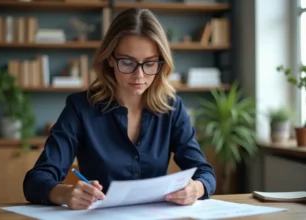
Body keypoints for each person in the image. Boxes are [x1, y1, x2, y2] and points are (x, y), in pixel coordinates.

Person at [23, 7, 216, 210]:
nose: (139, 76)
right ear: (110, 59)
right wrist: (65, 193)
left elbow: (204, 172)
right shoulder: (80, 108)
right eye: (127, 62)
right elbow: (36, 180)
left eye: (149, 64)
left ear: (161, 63)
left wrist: (197, 187)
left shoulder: (172, 107)